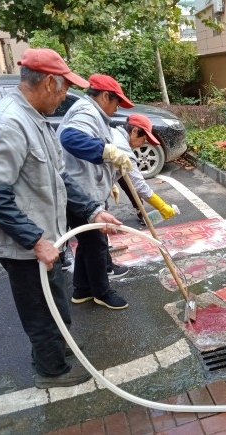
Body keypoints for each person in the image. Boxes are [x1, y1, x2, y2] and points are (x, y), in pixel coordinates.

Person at [0, 48, 122, 388]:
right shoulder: (7, 123)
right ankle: (51, 370)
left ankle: (59, 347)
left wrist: (92, 210)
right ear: (50, 82)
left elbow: (60, 178)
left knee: (54, 295)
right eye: (66, 88)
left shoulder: (35, 119)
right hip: (23, 244)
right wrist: (36, 240)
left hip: (44, 237)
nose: (67, 96)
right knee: (39, 306)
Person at [56, 74, 139, 308]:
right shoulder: (88, 112)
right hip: (81, 192)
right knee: (96, 244)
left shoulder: (93, 113)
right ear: (105, 96)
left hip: (83, 188)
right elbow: (70, 138)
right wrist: (107, 151)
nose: (116, 109)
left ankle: (82, 289)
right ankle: (102, 293)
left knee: (87, 242)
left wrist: (109, 179)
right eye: (116, 102)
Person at [113, 113, 179, 223]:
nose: (142, 144)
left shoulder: (114, 132)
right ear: (134, 131)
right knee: (96, 232)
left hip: (83, 184)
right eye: (143, 139)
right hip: (86, 192)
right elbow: (139, 185)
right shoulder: (125, 152)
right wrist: (162, 206)